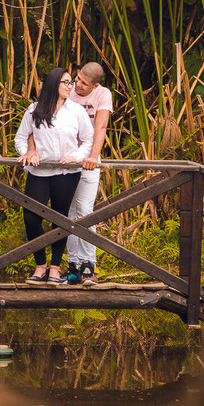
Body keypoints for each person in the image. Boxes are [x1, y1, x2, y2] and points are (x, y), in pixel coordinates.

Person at [14, 67, 94, 283]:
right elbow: (20, 138)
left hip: (67, 173)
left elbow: (88, 139)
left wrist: (76, 156)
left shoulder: (76, 111)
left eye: (71, 82)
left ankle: (55, 268)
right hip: (39, 172)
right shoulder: (34, 109)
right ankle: (40, 265)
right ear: (53, 84)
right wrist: (28, 153)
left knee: (60, 219)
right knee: (31, 217)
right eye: (66, 82)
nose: (71, 86)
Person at [65, 62, 112, 285]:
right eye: (77, 78)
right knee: (69, 212)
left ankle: (88, 266)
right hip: (64, 159)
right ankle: (73, 266)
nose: (77, 84)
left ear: (95, 85)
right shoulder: (68, 90)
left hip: (88, 159)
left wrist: (93, 157)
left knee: (85, 210)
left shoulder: (103, 95)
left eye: (84, 82)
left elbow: (100, 126)